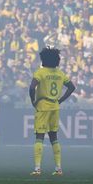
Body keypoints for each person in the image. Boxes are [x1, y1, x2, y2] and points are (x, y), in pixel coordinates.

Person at [29, 47, 75, 176]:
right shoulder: (60, 73)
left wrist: (33, 100)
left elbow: (32, 87)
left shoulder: (40, 72)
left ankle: (37, 168)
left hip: (43, 106)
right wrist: (60, 100)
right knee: (54, 137)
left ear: (44, 59)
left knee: (39, 136)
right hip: (55, 106)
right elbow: (72, 87)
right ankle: (58, 168)